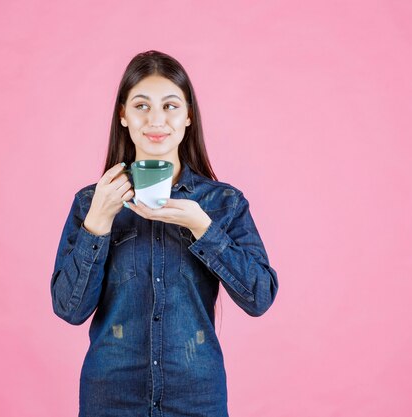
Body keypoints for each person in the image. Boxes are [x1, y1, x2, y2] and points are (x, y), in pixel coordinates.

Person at [50, 50, 279, 417]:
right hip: (110, 400)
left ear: (188, 116)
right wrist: (98, 223)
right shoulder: (91, 202)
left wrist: (202, 228)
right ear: (123, 115)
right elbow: (69, 309)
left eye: (170, 106)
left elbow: (260, 297)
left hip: (196, 398)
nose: (156, 119)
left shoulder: (222, 203)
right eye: (141, 105)